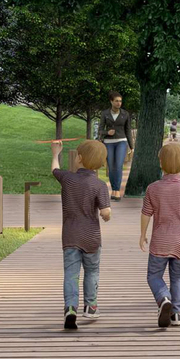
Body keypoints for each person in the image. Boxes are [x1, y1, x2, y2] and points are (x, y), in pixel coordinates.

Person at [51, 138, 112, 329]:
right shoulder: (100, 185)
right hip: (92, 237)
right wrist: (106, 215)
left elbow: (54, 170)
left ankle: (70, 307)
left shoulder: (68, 179)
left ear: (79, 158)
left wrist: (55, 153)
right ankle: (91, 306)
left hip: (70, 236)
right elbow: (105, 212)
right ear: (102, 163)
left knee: (71, 274)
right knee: (92, 271)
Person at [140, 141, 180, 328]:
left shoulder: (153, 188)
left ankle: (163, 297)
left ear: (160, 163)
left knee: (154, 276)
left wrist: (142, 235)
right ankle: (177, 313)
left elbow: (146, 214)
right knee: (179, 277)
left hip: (160, 240)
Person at [99, 91, 134, 201]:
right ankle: (113, 190)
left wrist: (131, 146)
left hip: (121, 141)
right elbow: (100, 130)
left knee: (118, 165)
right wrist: (106, 133)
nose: (119, 103)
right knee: (111, 166)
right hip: (108, 143)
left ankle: (117, 191)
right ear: (111, 101)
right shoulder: (105, 114)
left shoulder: (125, 114)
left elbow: (128, 130)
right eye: (116, 101)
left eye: (120, 101)